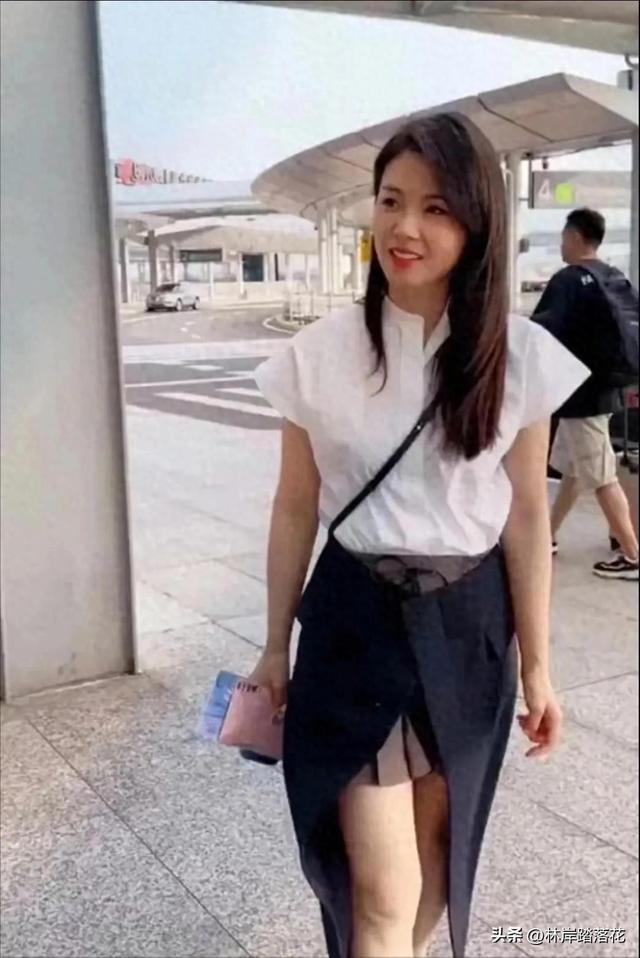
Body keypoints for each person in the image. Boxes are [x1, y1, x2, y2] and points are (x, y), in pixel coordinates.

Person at [251, 113, 589, 958]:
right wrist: (273, 647)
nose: (405, 227)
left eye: (436, 208)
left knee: (436, 866)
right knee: (382, 892)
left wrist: (539, 668)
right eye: (391, 201)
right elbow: (294, 506)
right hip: (353, 627)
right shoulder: (319, 354)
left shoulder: (520, 357)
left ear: (476, 224)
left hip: (468, 630)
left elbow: (525, 517)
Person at [532, 208, 639, 581]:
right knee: (575, 470)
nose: (562, 244)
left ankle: (632, 554)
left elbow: (539, 333)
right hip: (608, 388)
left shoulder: (568, 280)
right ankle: (546, 535)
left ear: (575, 236)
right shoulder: (613, 276)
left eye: (564, 236)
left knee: (601, 474)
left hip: (581, 395)